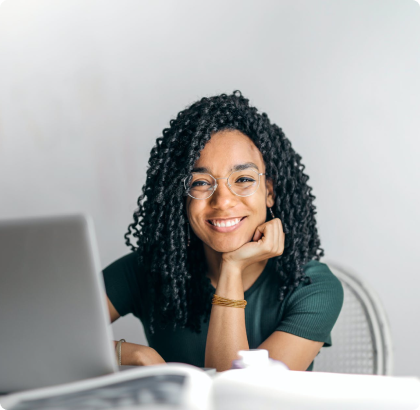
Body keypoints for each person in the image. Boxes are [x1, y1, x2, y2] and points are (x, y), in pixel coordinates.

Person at [103, 91, 344, 372]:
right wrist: (135, 354)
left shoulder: (311, 287)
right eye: (201, 183)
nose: (223, 201)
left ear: (269, 191)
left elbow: (239, 399)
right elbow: (45, 335)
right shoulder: (149, 269)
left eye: (243, 179)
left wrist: (232, 267)